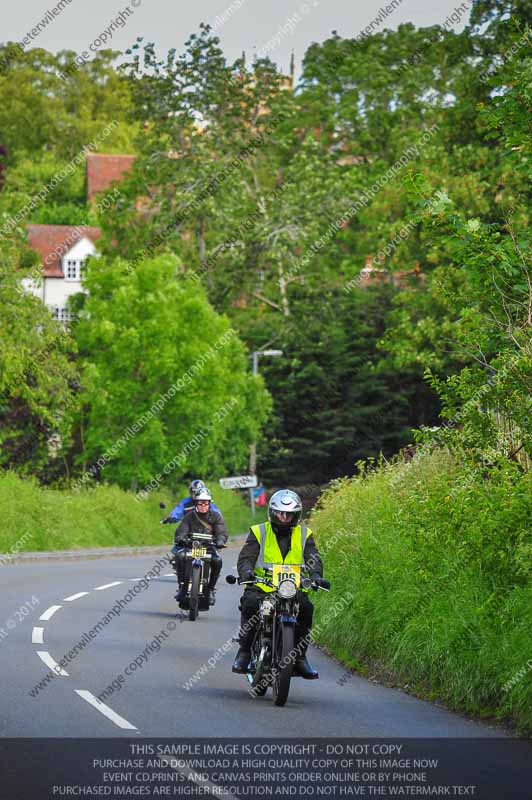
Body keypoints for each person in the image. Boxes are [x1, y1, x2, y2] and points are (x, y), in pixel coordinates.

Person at [232, 489, 325, 680]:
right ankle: (244, 652)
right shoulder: (259, 531)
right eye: (281, 513)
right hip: (263, 586)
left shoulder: (304, 534)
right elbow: (246, 558)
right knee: (250, 605)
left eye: (289, 514)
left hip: (292, 587)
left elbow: (313, 558)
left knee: (306, 609)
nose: (284, 517)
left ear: (296, 514)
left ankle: (299, 657)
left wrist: (316, 575)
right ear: (273, 512)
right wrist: (247, 573)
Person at [173, 487, 228, 606]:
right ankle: (182, 585)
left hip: (209, 548)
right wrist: (181, 538)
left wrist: (220, 540)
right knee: (179, 556)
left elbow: (221, 531)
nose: (203, 505)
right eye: (200, 502)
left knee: (217, 560)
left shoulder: (216, 516)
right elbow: (182, 530)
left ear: (209, 503)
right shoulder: (189, 516)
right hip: (191, 547)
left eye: (206, 502)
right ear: (196, 503)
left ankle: (211, 589)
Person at [162, 479, 222, 557]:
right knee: (178, 545)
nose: (195, 494)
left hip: (205, 532)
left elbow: (217, 513)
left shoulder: (208, 502)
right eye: (193, 492)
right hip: (189, 531)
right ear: (190, 491)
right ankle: (176, 559)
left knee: (216, 554)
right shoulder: (185, 502)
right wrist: (171, 517)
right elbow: (177, 511)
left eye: (198, 492)